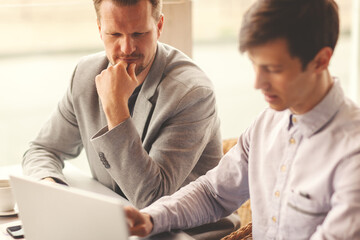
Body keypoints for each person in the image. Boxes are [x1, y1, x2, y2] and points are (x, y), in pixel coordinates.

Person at [125, 0, 360, 239]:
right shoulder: (267, 124)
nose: (258, 83)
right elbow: (213, 193)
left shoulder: (353, 152)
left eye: (274, 69)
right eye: (255, 64)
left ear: (321, 60)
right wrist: (151, 218)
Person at [22, 0, 223, 209]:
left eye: (138, 34)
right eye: (115, 34)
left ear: (159, 26)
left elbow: (153, 199)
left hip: (183, 232)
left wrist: (116, 107)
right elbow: (43, 149)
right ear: (100, 29)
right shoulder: (85, 74)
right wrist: (50, 187)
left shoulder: (192, 94)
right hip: (114, 222)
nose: (127, 48)